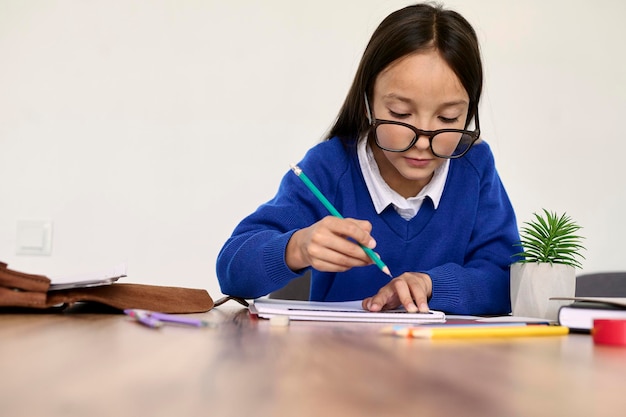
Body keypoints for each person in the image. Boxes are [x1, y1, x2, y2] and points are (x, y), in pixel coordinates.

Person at [216, 3, 519, 315]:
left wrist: (431, 286)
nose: (424, 140)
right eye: (400, 113)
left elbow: (507, 281)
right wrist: (296, 248)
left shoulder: (473, 166)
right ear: (366, 103)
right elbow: (231, 269)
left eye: (448, 118)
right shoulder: (330, 168)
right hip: (341, 359)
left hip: (445, 360)